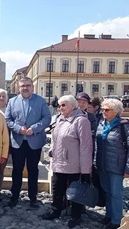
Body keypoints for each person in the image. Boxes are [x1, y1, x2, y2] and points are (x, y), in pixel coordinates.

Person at [41, 95, 92, 229]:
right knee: (57, 188)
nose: (60, 108)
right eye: (59, 105)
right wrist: (51, 150)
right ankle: (56, 210)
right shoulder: (60, 119)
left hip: (74, 164)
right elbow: (55, 138)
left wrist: (86, 170)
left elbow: (86, 146)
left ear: (72, 106)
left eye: (63, 105)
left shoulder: (81, 121)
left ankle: (76, 216)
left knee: (75, 191)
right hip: (58, 162)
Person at [5, 77, 51, 209]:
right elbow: (8, 119)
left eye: (28, 85)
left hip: (34, 141)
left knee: (33, 170)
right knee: (17, 170)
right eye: (22, 86)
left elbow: (47, 118)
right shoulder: (12, 101)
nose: (25, 88)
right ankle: (14, 196)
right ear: (19, 88)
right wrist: (19, 129)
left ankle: (33, 198)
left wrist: (34, 129)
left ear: (32, 87)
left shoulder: (40, 101)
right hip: (18, 141)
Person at [95, 98, 129, 229]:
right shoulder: (101, 123)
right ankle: (109, 215)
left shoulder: (124, 125)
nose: (104, 112)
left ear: (116, 111)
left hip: (117, 165)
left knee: (116, 193)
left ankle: (117, 220)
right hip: (102, 164)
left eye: (107, 109)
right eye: (103, 109)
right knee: (107, 191)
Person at [0, 88, 9, 201]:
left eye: (3, 96)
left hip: (4, 146)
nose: (1, 98)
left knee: (0, 170)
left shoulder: (10, 111)